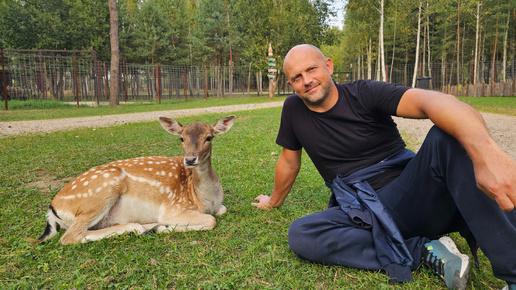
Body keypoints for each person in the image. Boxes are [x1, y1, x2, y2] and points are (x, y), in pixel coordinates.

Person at [252, 44, 516, 289]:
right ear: (290, 84)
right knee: (302, 234)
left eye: (311, 69)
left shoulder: (363, 93)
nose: (306, 80)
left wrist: (488, 155)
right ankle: (423, 250)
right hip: (362, 211)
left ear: (329, 66)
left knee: (447, 136)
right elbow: (289, 161)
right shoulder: (293, 109)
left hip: (413, 197)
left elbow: (436, 103)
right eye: (297, 77)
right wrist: (273, 202)